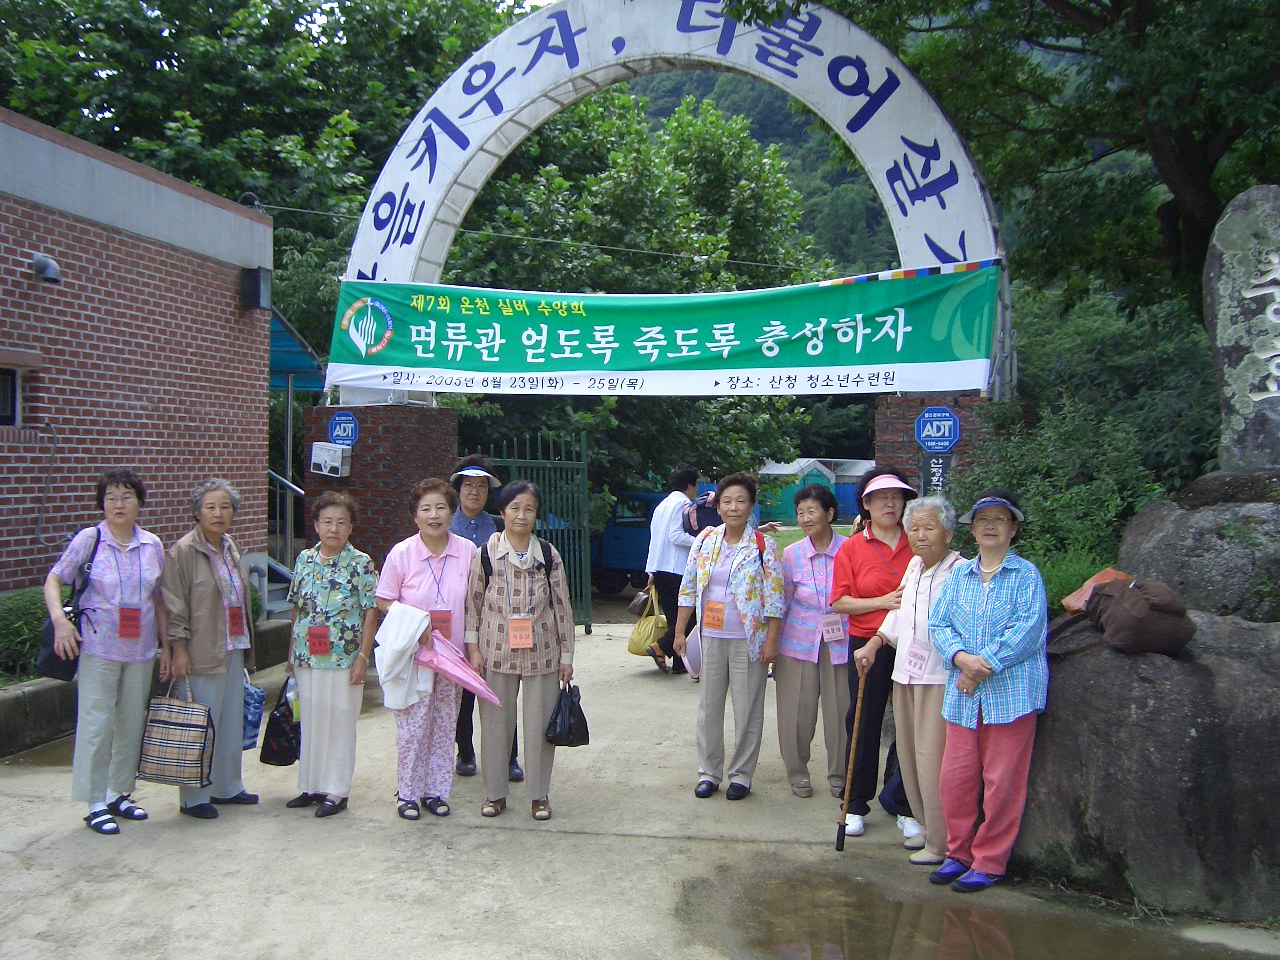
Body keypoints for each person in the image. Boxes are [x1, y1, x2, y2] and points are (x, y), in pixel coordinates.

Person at [927, 490, 1048, 893]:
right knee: (956, 779)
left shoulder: (1026, 575)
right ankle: (958, 853)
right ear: (973, 529)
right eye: (983, 519)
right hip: (963, 696)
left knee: (1002, 783)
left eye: (1000, 519)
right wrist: (961, 658)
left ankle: (990, 861)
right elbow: (939, 624)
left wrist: (981, 667)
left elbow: (1027, 630)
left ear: (1013, 529)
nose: (991, 526)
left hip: (1010, 696)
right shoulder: (958, 575)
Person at [44, 469, 167, 835]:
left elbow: (158, 598)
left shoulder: (152, 545)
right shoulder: (90, 539)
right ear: (102, 504)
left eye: (127, 496)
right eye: (111, 497)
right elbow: (55, 579)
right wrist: (60, 621)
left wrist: (167, 645)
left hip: (141, 649)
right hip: (99, 647)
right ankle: (95, 801)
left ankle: (118, 793)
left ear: (140, 503)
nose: (118, 504)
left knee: (131, 723)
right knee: (96, 724)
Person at [851, 494, 963, 865]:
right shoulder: (914, 566)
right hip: (905, 674)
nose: (920, 535)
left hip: (938, 678)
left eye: (929, 528)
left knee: (932, 758)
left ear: (948, 533)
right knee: (911, 756)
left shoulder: (961, 572)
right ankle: (928, 828)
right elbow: (899, 615)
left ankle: (943, 841)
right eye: (914, 528)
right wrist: (875, 643)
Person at [465, 480, 575, 821]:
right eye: (514, 508)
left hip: (543, 651)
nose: (521, 515)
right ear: (502, 511)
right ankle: (495, 794)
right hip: (495, 650)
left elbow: (562, 607)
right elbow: (473, 603)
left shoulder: (549, 555)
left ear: (536, 514)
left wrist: (567, 656)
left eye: (529, 509)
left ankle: (538, 796)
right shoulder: (486, 553)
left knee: (540, 726)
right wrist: (473, 649)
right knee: (495, 725)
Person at [673, 472, 784, 801]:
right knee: (708, 708)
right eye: (727, 501)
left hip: (749, 640)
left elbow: (775, 599)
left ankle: (741, 775)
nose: (734, 507)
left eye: (741, 501)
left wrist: (772, 640)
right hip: (710, 636)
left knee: (747, 710)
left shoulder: (764, 546)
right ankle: (709, 772)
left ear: (751, 506)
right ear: (718, 507)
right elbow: (688, 587)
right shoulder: (705, 540)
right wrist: (679, 631)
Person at [377, 478, 478, 820]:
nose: (434, 515)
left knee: (445, 725)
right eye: (426, 509)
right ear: (415, 516)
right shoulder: (402, 553)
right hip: (414, 656)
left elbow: (476, 602)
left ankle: (436, 791)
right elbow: (383, 599)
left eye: (440, 508)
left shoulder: (468, 551)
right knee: (412, 727)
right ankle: (407, 793)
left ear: (451, 513)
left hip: (452, 657)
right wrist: (414, 621)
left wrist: (473, 648)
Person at [829, 466, 919, 841]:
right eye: (881, 498)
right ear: (866, 504)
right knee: (863, 720)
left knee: (910, 724)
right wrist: (883, 601)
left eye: (896, 497)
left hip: (913, 644)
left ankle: (902, 801)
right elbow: (839, 601)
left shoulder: (918, 542)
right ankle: (854, 802)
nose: (889, 504)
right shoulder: (852, 547)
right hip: (866, 643)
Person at [161, 478, 257, 820]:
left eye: (225, 507)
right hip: (201, 648)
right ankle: (194, 797)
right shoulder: (184, 550)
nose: (219, 514)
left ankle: (226, 786)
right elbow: (175, 602)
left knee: (229, 720)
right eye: (211, 507)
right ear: (197, 512)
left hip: (233, 643)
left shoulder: (229, 545)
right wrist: (179, 647)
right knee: (200, 722)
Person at [284, 491, 378, 818]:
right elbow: (296, 607)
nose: (333, 528)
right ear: (316, 525)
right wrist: (290, 654)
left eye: (341, 522)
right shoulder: (304, 559)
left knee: (340, 722)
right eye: (327, 522)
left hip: (343, 657)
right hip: (306, 655)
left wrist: (363, 657)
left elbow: (370, 612)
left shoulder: (361, 563)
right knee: (311, 721)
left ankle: (337, 791)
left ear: (351, 527)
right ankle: (311, 785)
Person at [447, 455, 523, 783]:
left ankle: (509, 756)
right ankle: (465, 751)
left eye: (481, 486)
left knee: (501, 691)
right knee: (461, 693)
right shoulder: (445, 524)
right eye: (468, 485)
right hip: (456, 617)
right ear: (458, 489)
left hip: (496, 619)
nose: (474, 492)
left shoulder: (499, 526)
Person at [776, 484, 850, 799]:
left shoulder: (850, 549)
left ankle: (840, 775)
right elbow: (782, 603)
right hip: (797, 643)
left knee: (840, 712)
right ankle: (797, 773)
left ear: (829, 514)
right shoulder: (792, 554)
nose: (806, 518)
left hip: (840, 643)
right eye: (800, 512)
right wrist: (772, 645)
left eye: (812, 511)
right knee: (796, 712)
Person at [643, 463, 699, 675]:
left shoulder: (661, 505)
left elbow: (655, 540)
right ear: (689, 485)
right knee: (689, 617)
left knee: (674, 618)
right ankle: (661, 647)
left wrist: (651, 571)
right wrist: (701, 540)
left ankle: (679, 663)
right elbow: (676, 535)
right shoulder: (684, 504)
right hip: (676, 568)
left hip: (659, 568)